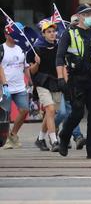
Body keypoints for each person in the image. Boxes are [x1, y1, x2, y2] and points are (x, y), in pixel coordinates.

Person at [57, 4, 91, 159]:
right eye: (86, 14)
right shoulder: (69, 34)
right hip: (76, 81)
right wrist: (61, 78)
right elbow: (59, 57)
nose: (89, 17)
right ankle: (64, 135)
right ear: (79, 16)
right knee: (77, 113)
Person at [30, 22, 65, 152]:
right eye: (48, 31)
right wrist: (36, 64)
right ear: (43, 34)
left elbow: (62, 65)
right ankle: (54, 141)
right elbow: (31, 72)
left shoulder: (59, 47)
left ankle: (40, 139)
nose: (52, 33)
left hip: (55, 83)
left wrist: (64, 81)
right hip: (42, 82)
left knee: (50, 113)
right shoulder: (37, 49)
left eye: (53, 31)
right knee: (50, 109)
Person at [54, 15, 85, 151]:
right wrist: (61, 79)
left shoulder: (79, 40)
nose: (75, 25)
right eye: (74, 23)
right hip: (58, 82)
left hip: (73, 82)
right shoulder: (63, 40)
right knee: (61, 113)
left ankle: (77, 136)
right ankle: (51, 128)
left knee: (72, 110)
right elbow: (59, 61)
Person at [0, 22, 30, 149]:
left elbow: (26, 68)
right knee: (5, 116)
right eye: (13, 33)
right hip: (5, 87)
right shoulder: (1, 48)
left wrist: (30, 82)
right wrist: (4, 84)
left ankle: (13, 134)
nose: (17, 35)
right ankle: (5, 139)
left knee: (24, 110)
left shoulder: (23, 48)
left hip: (20, 87)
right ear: (6, 34)